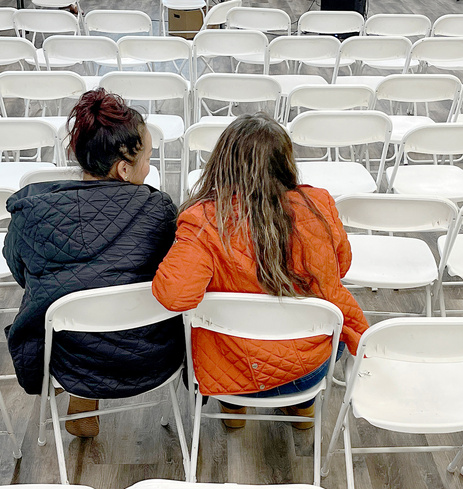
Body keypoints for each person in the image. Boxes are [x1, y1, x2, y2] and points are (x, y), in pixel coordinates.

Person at [152, 112, 369, 430]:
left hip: (231, 371)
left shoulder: (203, 220)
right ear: (285, 162)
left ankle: (234, 408)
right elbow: (342, 266)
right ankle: (302, 407)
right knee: (327, 325)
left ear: (222, 162)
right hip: (308, 369)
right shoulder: (318, 204)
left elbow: (174, 297)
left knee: (208, 331)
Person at [4, 89, 183, 439]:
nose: (149, 166)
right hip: (149, 354)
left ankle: (82, 394)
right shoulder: (159, 209)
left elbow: (20, 271)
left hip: (70, 356)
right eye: (148, 157)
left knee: (66, 298)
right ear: (124, 168)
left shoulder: (32, 211)